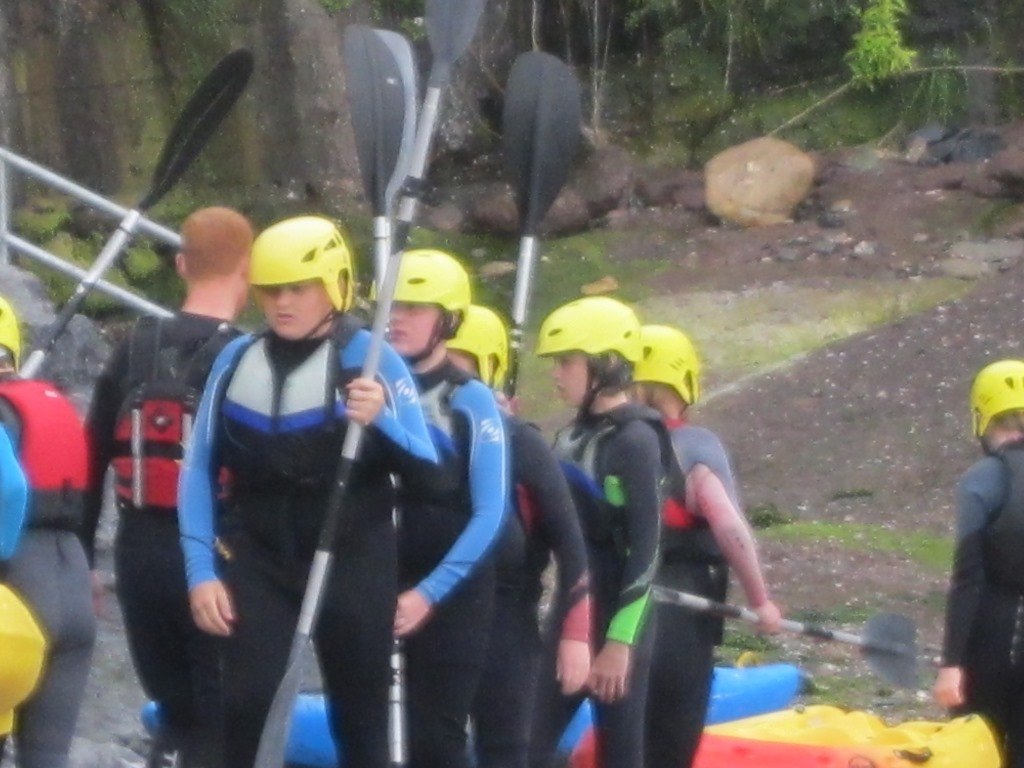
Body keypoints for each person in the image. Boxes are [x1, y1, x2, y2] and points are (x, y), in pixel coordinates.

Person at [177, 216, 438, 768]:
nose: (282, 303)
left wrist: (381, 421)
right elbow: (198, 467)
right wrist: (200, 570)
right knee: (247, 704)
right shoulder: (234, 359)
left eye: (298, 288)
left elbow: (433, 477)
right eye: (271, 290)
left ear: (334, 286)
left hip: (354, 561)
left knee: (360, 721)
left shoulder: (372, 359)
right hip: (260, 559)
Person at [83, 206, 253, 768]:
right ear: (248, 269)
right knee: (219, 715)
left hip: (138, 555)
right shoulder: (247, 357)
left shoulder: (133, 347)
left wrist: (83, 560)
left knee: (172, 709)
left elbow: (91, 457)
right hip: (218, 558)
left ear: (181, 265)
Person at [448, 304, 592, 768]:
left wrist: (576, 636)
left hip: (506, 621)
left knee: (507, 751)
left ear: (487, 366)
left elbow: (573, 548)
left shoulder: (521, 443)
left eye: (456, 359)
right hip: (436, 616)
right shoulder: (415, 436)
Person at [632, 323, 781, 768]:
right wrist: (761, 601)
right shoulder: (696, 446)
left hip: (618, 604)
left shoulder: (608, 441)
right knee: (671, 745)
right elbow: (729, 527)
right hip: (681, 612)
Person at [386, 251, 509, 768]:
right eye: (393, 306)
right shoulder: (368, 386)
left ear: (449, 322)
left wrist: (428, 594)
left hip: (452, 596)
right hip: (377, 582)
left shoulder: (471, 399)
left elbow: (491, 513)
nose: (397, 318)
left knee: (435, 742)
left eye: (414, 308)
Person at [528, 296, 662, 768]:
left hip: (621, 621)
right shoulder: (569, 437)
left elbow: (647, 551)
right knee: (524, 747)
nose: (556, 374)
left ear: (606, 366)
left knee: (620, 756)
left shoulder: (637, 441)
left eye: (566, 362)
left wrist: (619, 645)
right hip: (571, 613)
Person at [0, 295, 97, 768]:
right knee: (48, 757)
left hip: (20, 592)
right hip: (73, 580)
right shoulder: (52, 404)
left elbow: (10, 487)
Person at [934, 358, 1024, 768]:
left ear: (982, 416)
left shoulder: (983, 478)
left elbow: (968, 578)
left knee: (980, 750)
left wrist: (951, 664)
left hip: (992, 640)